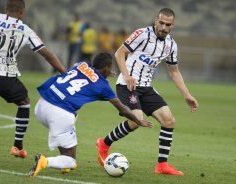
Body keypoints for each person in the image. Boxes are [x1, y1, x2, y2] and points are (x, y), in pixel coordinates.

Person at [96, 8, 199, 176]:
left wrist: (187, 95)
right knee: (136, 120)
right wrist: (127, 75)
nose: (164, 27)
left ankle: (162, 166)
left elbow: (174, 71)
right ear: (156, 21)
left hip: (146, 87)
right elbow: (119, 53)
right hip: (126, 85)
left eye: (168, 24)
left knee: (169, 120)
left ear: (173, 26)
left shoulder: (171, 45)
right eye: (161, 23)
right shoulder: (141, 34)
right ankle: (104, 143)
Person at [28, 52, 152, 177]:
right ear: (106, 68)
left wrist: (104, 74)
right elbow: (123, 110)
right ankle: (45, 161)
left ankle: (63, 163)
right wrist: (139, 121)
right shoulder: (103, 86)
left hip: (41, 105)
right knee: (71, 161)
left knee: (71, 120)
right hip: (59, 113)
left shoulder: (81, 64)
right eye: (110, 67)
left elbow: (86, 76)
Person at [0, 0, 66, 158]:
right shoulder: (26, 30)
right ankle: (17, 146)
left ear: (5, 9)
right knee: (24, 102)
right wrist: (64, 72)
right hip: (6, 77)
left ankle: (18, 146)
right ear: (22, 12)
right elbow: (47, 54)